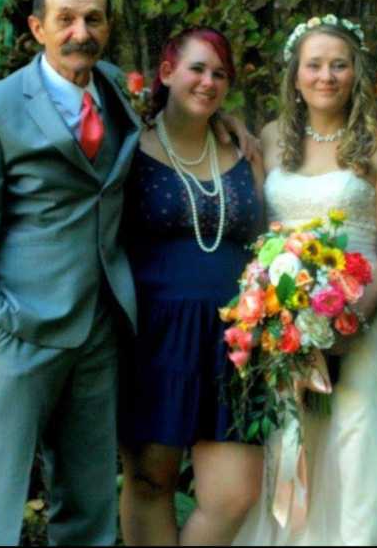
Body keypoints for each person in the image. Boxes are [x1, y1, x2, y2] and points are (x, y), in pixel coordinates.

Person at [0, 0, 140, 545]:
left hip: (98, 324)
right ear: (37, 28)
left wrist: (228, 124)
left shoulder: (114, 90)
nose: (82, 31)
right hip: (18, 328)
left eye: (94, 18)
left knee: (91, 492)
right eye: (66, 19)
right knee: (1, 497)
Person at [233, 14, 377, 545]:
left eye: (339, 65)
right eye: (314, 65)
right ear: (295, 75)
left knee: (359, 457)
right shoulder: (268, 139)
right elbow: (255, 232)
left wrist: (354, 318)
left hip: (363, 325)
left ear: (356, 74)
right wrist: (272, 309)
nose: (326, 76)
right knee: (295, 450)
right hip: (286, 332)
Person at [117, 27, 265, 545]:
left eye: (220, 73)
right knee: (149, 481)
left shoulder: (245, 151)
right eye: (197, 69)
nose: (208, 81)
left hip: (235, 344)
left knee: (235, 494)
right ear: (166, 73)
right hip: (156, 340)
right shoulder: (128, 149)